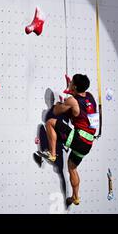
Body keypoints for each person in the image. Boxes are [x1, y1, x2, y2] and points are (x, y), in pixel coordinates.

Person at [42, 74, 98, 207]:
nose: (70, 83)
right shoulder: (90, 96)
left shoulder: (73, 101)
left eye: (72, 82)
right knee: (72, 168)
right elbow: (80, 111)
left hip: (79, 138)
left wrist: (64, 101)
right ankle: (75, 197)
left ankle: (52, 154)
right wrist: (71, 91)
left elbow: (56, 111)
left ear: (75, 86)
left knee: (50, 123)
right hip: (88, 144)